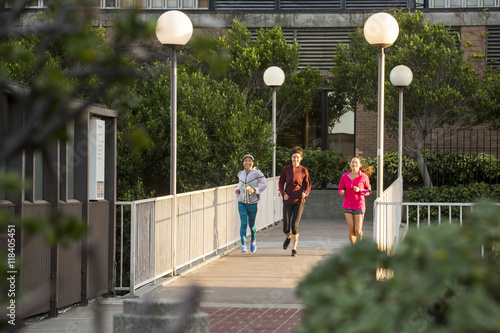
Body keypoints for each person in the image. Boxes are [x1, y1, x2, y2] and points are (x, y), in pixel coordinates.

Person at [279, 146, 312, 256]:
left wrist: (305, 193)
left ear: (301, 158)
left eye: (297, 157)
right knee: (286, 227)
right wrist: (283, 194)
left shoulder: (303, 170)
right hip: (288, 200)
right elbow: (280, 183)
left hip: (299, 200)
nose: (295, 159)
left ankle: (294, 249)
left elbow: (308, 184)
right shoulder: (286, 169)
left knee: (295, 225)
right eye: (294, 157)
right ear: (291, 158)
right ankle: (288, 237)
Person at [235, 154, 267, 253]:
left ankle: (253, 241)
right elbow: (240, 185)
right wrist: (237, 190)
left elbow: (264, 184)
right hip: (242, 202)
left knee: (251, 225)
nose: (247, 162)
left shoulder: (257, 173)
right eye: (245, 161)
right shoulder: (241, 173)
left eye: (249, 161)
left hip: (253, 203)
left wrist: (254, 190)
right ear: (243, 163)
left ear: (252, 163)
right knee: (243, 223)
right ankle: (243, 245)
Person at [338, 156, 373, 244]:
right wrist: (341, 192)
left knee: (357, 230)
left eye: (356, 162)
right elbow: (340, 188)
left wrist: (360, 190)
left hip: (359, 205)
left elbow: (369, 191)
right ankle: (354, 248)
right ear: (350, 164)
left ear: (360, 165)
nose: (354, 164)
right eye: (353, 162)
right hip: (347, 205)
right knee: (351, 229)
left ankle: (360, 241)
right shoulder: (345, 176)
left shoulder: (364, 177)